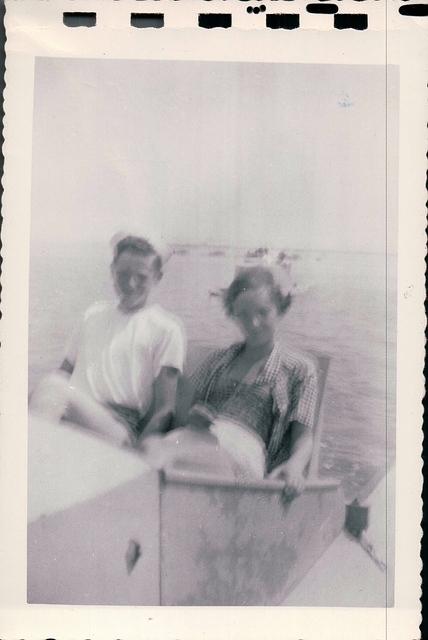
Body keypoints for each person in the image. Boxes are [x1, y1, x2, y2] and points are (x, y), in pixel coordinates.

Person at [144, 265, 318, 496]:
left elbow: (304, 438)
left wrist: (294, 467)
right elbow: (181, 416)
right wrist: (192, 417)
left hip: (243, 454)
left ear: (280, 311)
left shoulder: (300, 369)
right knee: (148, 448)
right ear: (233, 315)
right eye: (243, 314)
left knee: (163, 461)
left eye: (262, 312)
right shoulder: (218, 360)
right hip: (197, 440)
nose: (253, 323)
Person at [30, 232, 186, 446]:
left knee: (52, 388)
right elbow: (64, 372)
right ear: (112, 272)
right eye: (123, 274)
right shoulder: (93, 314)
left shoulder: (166, 328)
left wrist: (140, 458)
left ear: (157, 277)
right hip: (73, 413)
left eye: (141, 277)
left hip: (119, 428)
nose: (130, 283)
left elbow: (165, 409)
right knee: (43, 391)